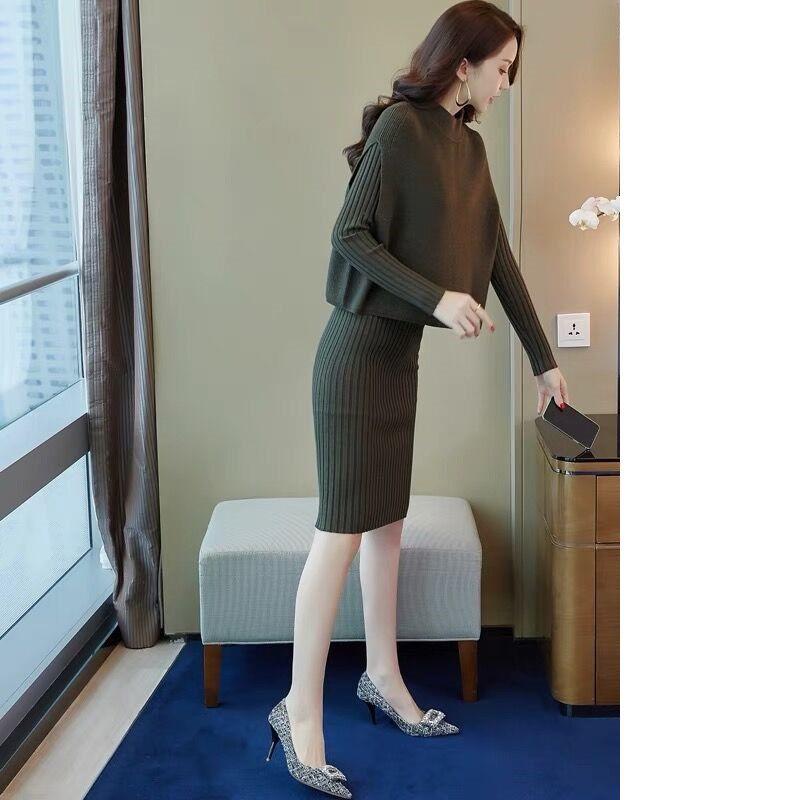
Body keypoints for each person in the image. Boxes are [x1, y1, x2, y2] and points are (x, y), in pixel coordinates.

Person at [266, 2, 570, 796]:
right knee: (340, 534)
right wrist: (436, 296)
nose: (507, 84)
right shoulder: (401, 129)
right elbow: (349, 235)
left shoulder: (468, 148)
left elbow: (497, 256)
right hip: (353, 359)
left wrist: (544, 361)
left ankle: (384, 680)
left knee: (387, 528)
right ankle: (299, 715)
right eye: (502, 68)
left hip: (397, 363)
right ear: (463, 63)